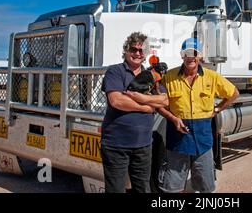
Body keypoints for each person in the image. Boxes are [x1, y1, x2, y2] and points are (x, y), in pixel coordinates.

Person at [158, 38, 239, 193]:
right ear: (182, 56)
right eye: (186, 53)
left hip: (203, 140)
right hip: (177, 139)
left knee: (206, 187)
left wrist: (217, 109)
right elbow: (159, 105)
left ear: (200, 56)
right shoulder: (169, 76)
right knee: (172, 188)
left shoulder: (212, 77)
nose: (190, 57)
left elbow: (234, 93)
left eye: (194, 53)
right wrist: (173, 118)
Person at [101, 32, 168, 193]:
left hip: (143, 145)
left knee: (143, 189)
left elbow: (165, 100)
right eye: (133, 49)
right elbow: (117, 101)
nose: (137, 53)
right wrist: (147, 107)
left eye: (141, 50)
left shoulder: (152, 75)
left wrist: (140, 98)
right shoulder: (115, 71)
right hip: (116, 145)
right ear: (126, 50)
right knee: (115, 190)